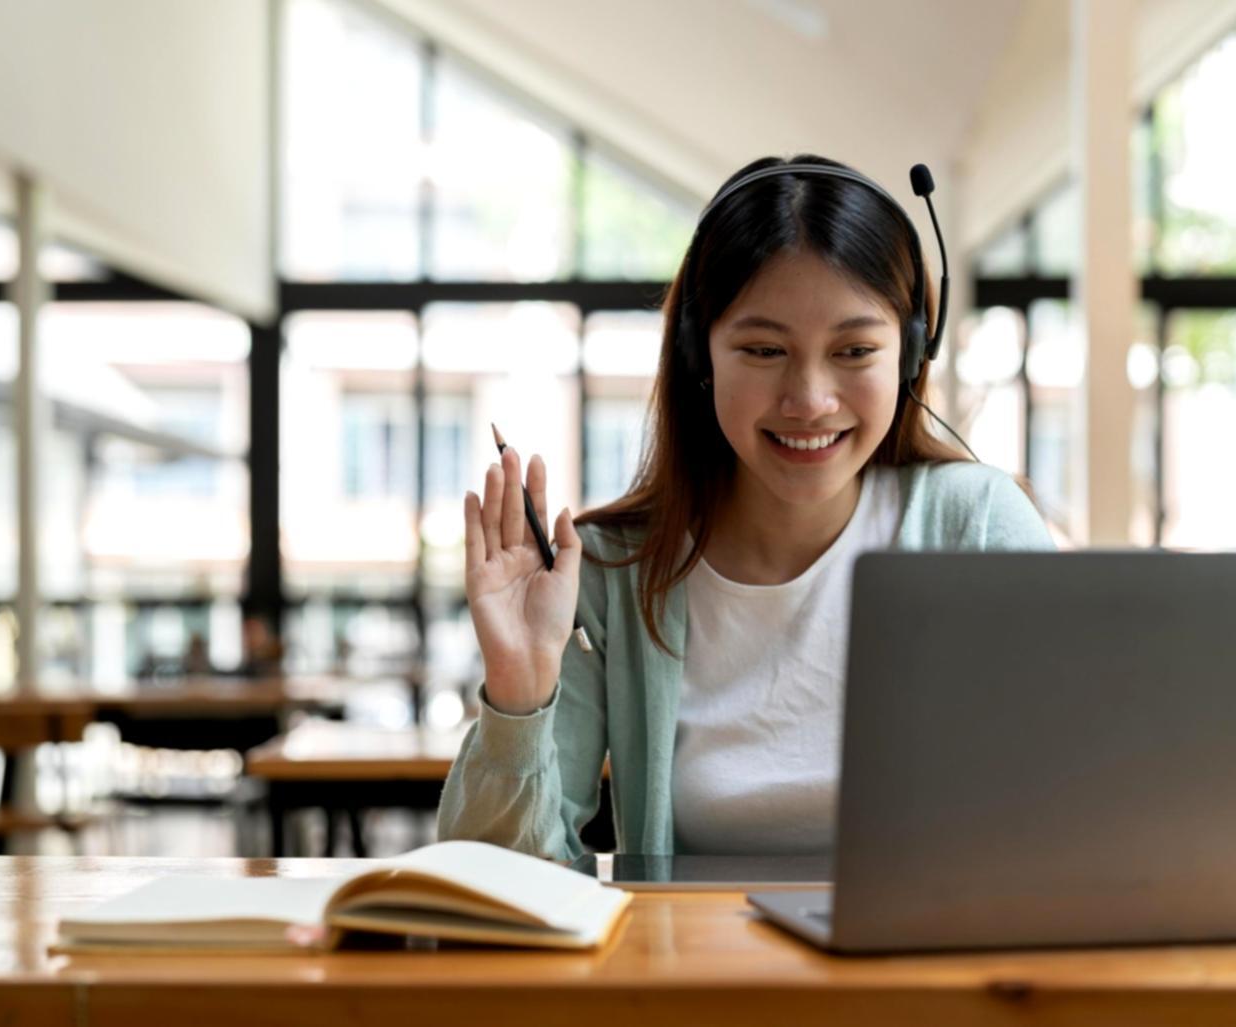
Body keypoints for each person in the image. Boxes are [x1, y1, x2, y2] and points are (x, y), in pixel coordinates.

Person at [438, 154, 1054, 860]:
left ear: (913, 352)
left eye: (854, 349)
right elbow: (495, 884)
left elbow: (1072, 812)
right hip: (697, 970)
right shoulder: (613, 570)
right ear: (700, 353)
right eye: (763, 349)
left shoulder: (975, 527)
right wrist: (518, 693)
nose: (810, 399)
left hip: (925, 968)